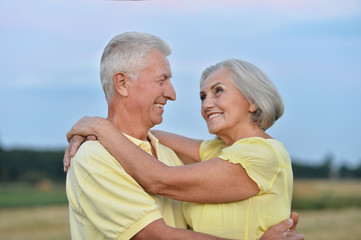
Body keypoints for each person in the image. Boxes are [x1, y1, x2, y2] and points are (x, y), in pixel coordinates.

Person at [65, 41, 304, 240]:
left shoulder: (263, 153)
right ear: (122, 83)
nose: (206, 104)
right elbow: (147, 137)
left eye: (218, 91)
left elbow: (160, 180)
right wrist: (99, 130)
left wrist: (100, 127)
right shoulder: (214, 152)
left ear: (253, 101)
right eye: (203, 96)